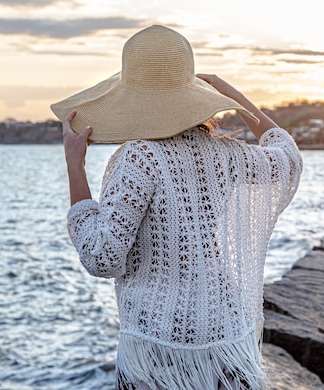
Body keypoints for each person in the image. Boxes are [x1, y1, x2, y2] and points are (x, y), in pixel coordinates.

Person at [52, 25, 303, 390]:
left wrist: (75, 166)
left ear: (130, 98)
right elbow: (289, 159)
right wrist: (234, 96)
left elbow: (102, 257)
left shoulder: (140, 157)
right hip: (224, 334)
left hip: (159, 350)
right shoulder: (225, 154)